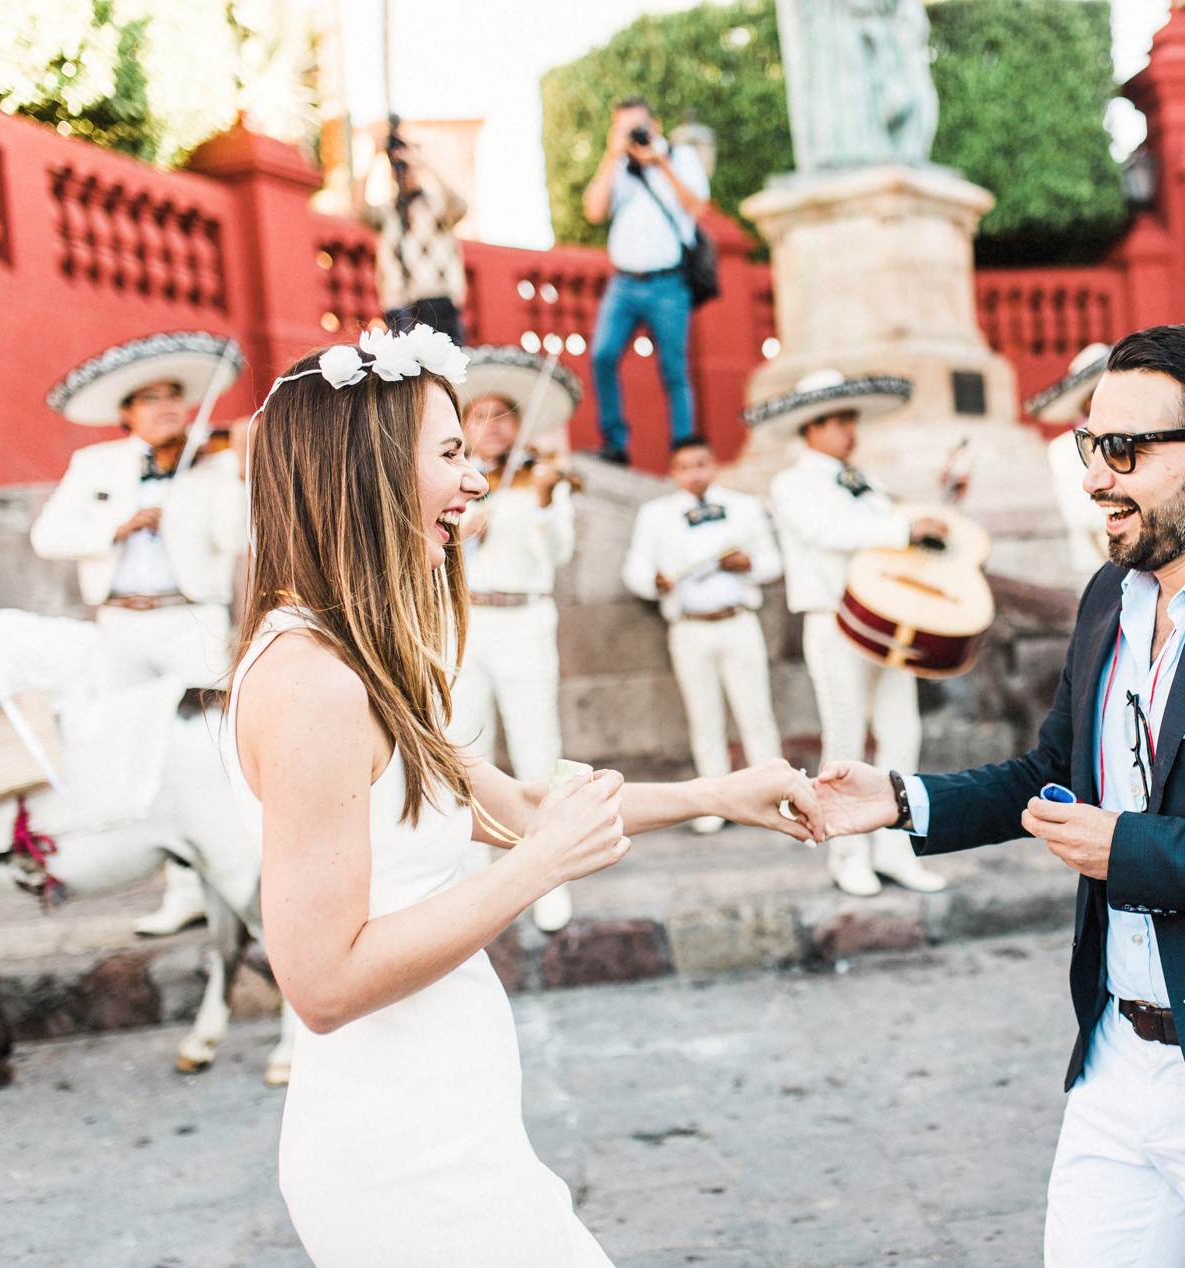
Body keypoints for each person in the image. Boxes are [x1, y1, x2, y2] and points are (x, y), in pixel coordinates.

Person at [813, 325, 1185, 1267]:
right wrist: (898, 800)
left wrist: (1129, 849)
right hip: (1116, 1066)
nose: (1098, 475)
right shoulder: (1109, 596)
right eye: (1091, 445)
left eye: (1126, 450)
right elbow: (1050, 775)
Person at [229, 326, 827, 1266]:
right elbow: (320, 982)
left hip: (460, 1134)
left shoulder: (365, 658)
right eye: (453, 453)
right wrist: (535, 874)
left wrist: (719, 791)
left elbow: (520, 803)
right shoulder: (311, 684)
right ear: (368, 467)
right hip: (400, 1167)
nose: (476, 481)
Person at [33, 332, 248, 938]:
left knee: (210, 749)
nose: (167, 410)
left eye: (175, 398)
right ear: (127, 414)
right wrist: (116, 525)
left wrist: (237, 475)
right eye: (151, 401)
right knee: (134, 750)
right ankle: (181, 889)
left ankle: (229, 870)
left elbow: (235, 540)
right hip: (121, 623)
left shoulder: (214, 462)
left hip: (192, 619)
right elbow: (46, 537)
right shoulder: (95, 466)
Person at [755, 370, 949, 897]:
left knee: (902, 733)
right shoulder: (792, 482)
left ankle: (894, 849)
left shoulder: (863, 480)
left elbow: (893, 541)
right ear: (812, 427)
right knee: (844, 742)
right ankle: (846, 853)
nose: (850, 430)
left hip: (887, 623)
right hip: (834, 622)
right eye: (840, 420)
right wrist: (902, 527)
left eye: (851, 420)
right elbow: (829, 532)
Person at [447, 346, 584, 932]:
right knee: (465, 747)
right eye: (479, 415)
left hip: (526, 618)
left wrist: (549, 502)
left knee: (537, 747)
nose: (492, 427)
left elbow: (560, 554)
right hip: (464, 619)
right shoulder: (451, 478)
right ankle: (473, 874)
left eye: (503, 416)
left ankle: (549, 874)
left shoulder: (540, 478)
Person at [622, 437, 785, 833]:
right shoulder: (656, 514)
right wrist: (654, 582)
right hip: (689, 627)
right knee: (704, 717)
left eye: (701, 464)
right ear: (673, 472)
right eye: (685, 467)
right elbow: (635, 570)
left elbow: (772, 563)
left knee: (756, 714)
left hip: (738, 620)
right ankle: (716, 805)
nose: (694, 474)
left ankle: (774, 796)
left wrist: (746, 564)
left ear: (713, 466)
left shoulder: (744, 507)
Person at [581, 96, 710, 464]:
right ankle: (615, 443)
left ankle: (684, 451)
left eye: (639, 126)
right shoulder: (619, 167)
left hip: (668, 284)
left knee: (673, 369)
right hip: (623, 283)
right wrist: (612, 156)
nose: (634, 134)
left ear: (657, 125)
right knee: (602, 355)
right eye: (625, 128)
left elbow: (698, 207)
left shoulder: (681, 158)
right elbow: (593, 211)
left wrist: (661, 163)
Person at [357, 121, 468, 345]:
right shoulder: (389, 212)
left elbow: (460, 204)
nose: (404, 173)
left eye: (408, 169)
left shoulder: (438, 207)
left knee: (448, 371)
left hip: (439, 300)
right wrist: (374, 156)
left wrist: (421, 161)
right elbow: (359, 209)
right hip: (399, 304)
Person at [1025, 342, 1113, 575]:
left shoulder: (1132, 441)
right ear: (1086, 401)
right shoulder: (1064, 449)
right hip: (1099, 568)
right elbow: (1082, 516)